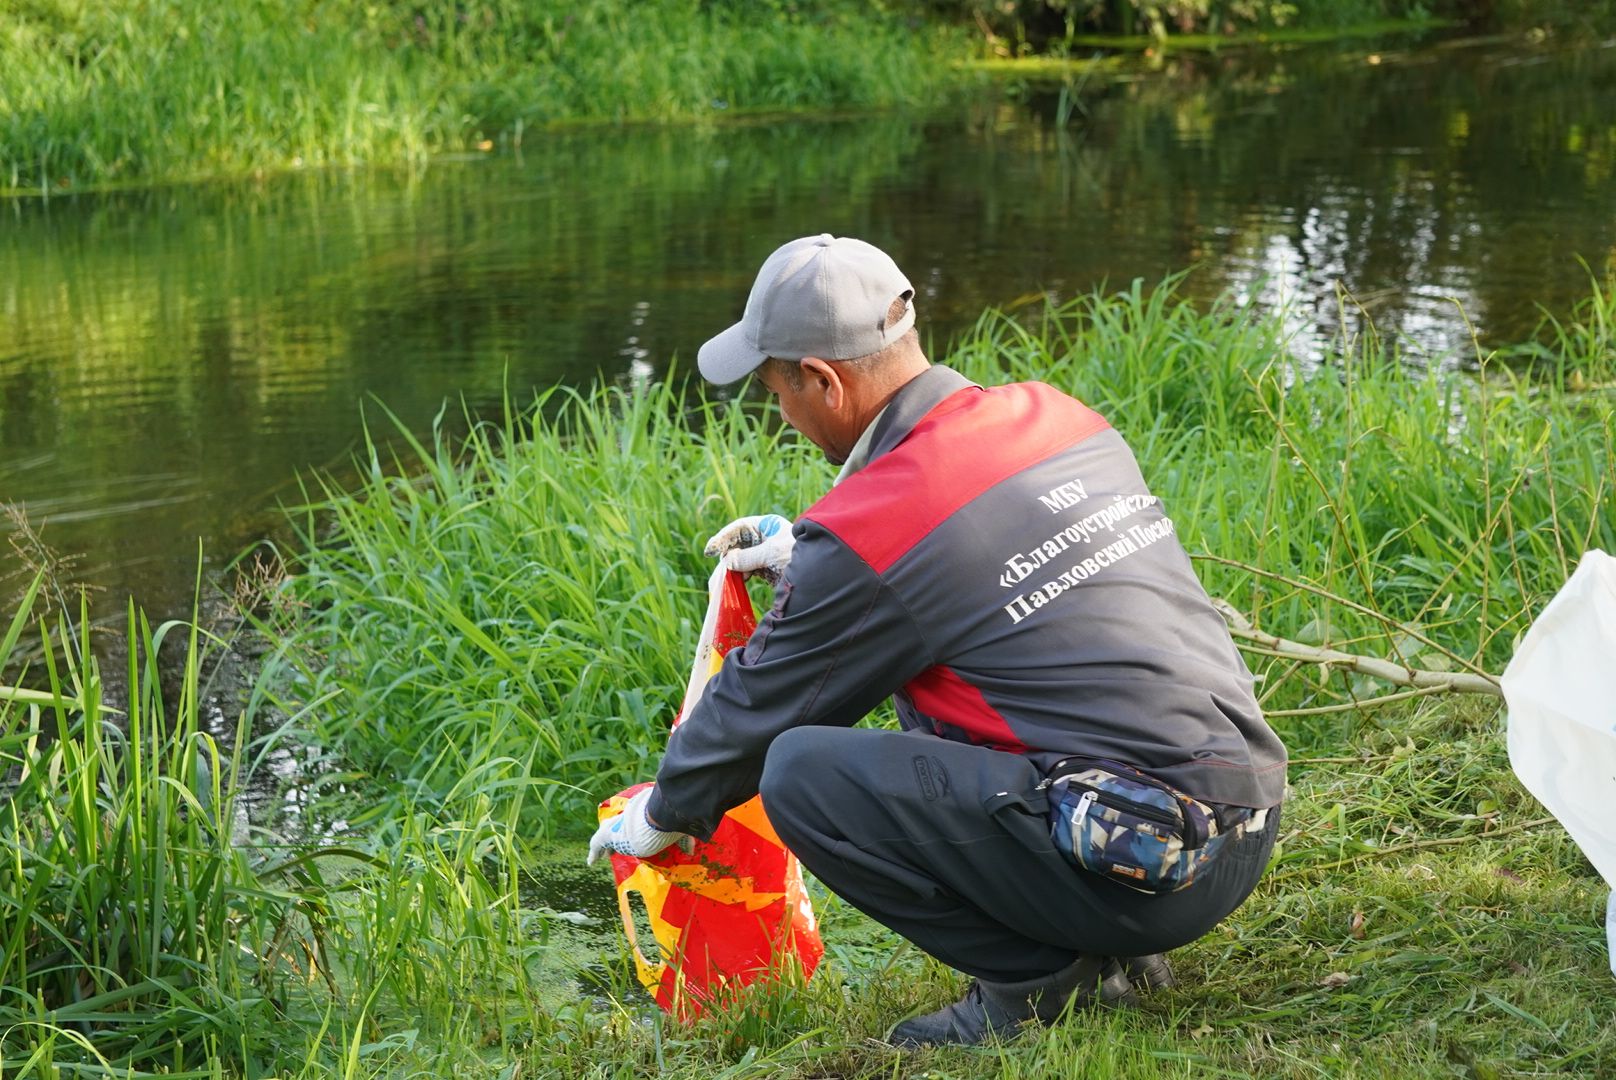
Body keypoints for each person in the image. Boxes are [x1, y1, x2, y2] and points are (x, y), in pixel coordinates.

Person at [588, 234, 1288, 1047]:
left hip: (1157, 865)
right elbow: (982, 565)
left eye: (777, 390)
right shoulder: (1050, 414)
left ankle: (1036, 983)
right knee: (945, 683)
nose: (781, 414)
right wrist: (808, 558)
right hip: (1243, 816)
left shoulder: (876, 531)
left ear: (821, 378)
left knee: (802, 773)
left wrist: (663, 813)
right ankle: (1107, 944)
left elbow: (754, 708)